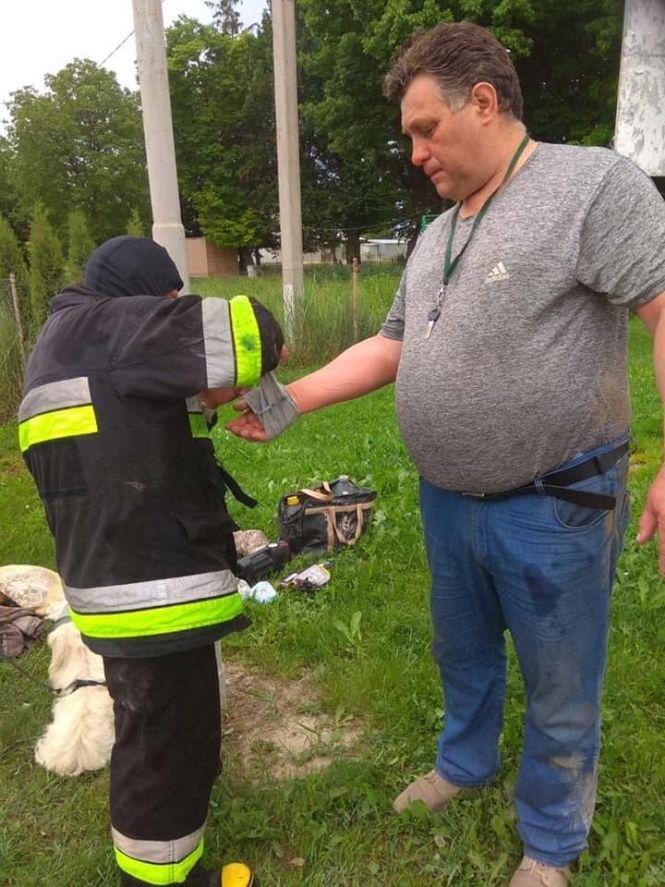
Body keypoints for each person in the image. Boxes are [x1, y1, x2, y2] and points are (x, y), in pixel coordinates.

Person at [227, 22, 665, 887]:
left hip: (556, 500)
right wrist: (284, 403)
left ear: (484, 101)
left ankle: (549, 840)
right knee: (461, 654)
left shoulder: (590, 184)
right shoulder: (435, 234)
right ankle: (463, 763)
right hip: (448, 498)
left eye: (426, 128)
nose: (416, 150)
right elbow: (392, 345)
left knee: (559, 681)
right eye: (408, 137)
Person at [18, 235, 284, 887]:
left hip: (108, 579)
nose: (169, 317)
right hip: (152, 585)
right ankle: (160, 878)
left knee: (160, 727)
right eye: (169, 305)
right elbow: (257, 331)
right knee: (161, 743)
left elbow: (124, 431)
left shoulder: (59, 345)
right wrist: (232, 354)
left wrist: (204, 395)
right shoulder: (117, 325)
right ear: (144, 300)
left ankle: (167, 859)